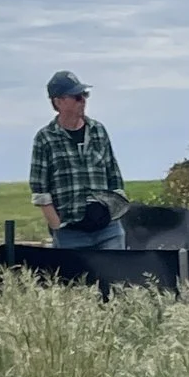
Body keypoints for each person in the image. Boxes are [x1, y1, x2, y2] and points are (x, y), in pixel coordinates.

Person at [28, 69, 128, 250]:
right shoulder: (45, 138)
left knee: (116, 269)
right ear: (58, 102)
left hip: (108, 230)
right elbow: (40, 191)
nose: (83, 100)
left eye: (84, 95)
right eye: (76, 97)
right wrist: (57, 227)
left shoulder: (98, 131)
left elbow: (114, 177)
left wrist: (115, 215)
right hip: (70, 234)